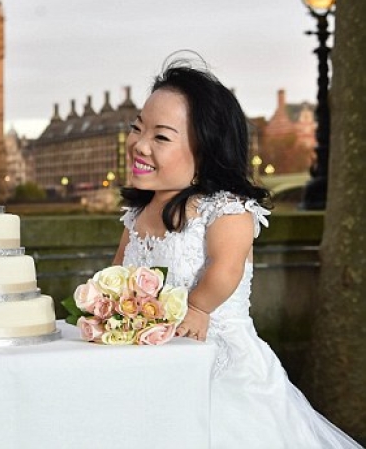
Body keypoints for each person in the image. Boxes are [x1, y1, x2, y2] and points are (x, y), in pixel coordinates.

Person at [113, 58, 362, 449]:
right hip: (151, 361)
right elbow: (119, 272)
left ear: (207, 150)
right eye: (137, 128)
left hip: (217, 359)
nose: (139, 144)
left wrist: (198, 308)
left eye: (160, 137)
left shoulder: (225, 208)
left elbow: (224, 268)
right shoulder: (137, 215)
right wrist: (110, 304)